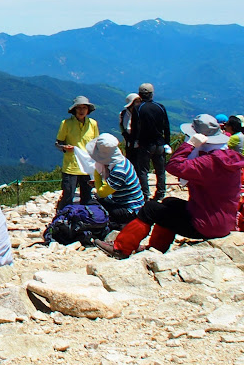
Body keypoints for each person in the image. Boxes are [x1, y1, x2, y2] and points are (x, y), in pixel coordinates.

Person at [95, 115, 244, 258]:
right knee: (169, 203)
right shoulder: (228, 158)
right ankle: (156, 248)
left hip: (205, 224)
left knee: (150, 209)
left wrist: (190, 145)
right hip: (223, 221)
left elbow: (173, 165)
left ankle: (121, 248)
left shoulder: (209, 162)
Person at [85, 134, 144, 229]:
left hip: (130, 209)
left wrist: (97, 176)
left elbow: (102, 193)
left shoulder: (119, 171)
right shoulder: (122, 162)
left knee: (94, 202)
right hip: (125, 202)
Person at [55, 96, 100, 211]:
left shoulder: (93, 124)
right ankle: (60, 219)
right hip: (71, 166)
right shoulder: (66, 124)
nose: (81, 110)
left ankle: (85, 221)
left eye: (84, 107)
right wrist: (64, 147)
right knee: (68, 195)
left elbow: (96, 144)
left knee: (86, 197)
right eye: (79, 108)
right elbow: (58, 143)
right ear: (74, 110)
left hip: (87, 166)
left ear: (88, 110)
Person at [129, 82, 171, 202]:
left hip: (145, 143)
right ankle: (161, 193)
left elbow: (135, 128)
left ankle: (145, 194)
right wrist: (166, 142)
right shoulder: (160, 107)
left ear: (140, 95)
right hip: (160, 143)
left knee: (143, 170)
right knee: (160, 170)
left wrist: (133, 144)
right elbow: (166, 126)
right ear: (152, 94)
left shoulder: (138, 108)